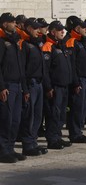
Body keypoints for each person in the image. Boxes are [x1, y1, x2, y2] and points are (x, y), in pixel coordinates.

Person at [42, 20, 73, 149]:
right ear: (53, 31)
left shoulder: (60, 45)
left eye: (63, 30)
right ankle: (52, 139)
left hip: (64, 86)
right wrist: (49, 87)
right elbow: (46, 70)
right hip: (55, 87)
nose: (63, 32)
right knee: (53, 114)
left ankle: (58, 136)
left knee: (61, 114)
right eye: (60, 30)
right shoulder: (48, 46)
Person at [0, 13, 26, 163]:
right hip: (7, 85)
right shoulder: (2, 42)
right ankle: (3, 150)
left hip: (17, 85)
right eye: (11, 21)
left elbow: (20, 67)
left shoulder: (15, 41)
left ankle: (10, 148)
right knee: (6, 119)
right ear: (4, 24)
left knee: (15, 119)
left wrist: (24, 88)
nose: (15, 23)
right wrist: (1, 87)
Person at [20, 18, 48, 156]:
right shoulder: (25, 44)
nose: (38, 31)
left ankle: (33, 142)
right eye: (36, 28)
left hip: (39, 83)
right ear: (29, 28)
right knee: (29, 116)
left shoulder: (37, 44)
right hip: (30, 84)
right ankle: (27, 144)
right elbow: (22, 69)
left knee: (37, 115)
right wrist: (24, 89)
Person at [65, 16, 86, 143]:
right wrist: (76, 82)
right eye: (83, 27)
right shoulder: (71, 42)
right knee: (77, 107)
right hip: (80, 80)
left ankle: (79, 131)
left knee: (83, 107)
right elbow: (72, 65)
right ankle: (75, 133)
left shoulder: (82, 42)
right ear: (77, 28)